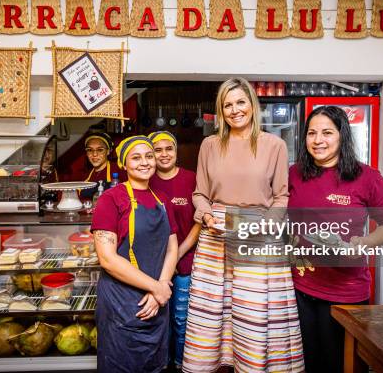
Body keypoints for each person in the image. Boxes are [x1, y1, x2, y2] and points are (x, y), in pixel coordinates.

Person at [182, 77, 304, 372]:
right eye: (228, 105)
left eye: (241, 102)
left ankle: (255, 365)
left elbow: (281, 197)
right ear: (221, 110)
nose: (235, 110)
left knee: (254, 311)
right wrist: (207, 215)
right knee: (214, 313)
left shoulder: (274, 145)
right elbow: (200, 193)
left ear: (252, 104)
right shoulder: (209, 145)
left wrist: (264, 229)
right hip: (216, 237)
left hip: (259, 236)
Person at [288, 106, 383, 372]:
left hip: (344, 293)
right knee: (309, 364)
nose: (318, 140)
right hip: (300, 287)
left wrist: (363, 243)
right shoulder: (294, 173)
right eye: (312, 133)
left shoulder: (367, 177)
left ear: (342, 136)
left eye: (327, 132)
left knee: (343, 364)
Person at [91, 135, 179, 373]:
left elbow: (172, 247)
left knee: (155, 365)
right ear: (123, 163)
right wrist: (157, 288)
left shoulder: (162, 200)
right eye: (136, 157)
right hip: (122, 301)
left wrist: (161, 286)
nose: (145, 162)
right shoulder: (110, 199)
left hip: (157, 302)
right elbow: (107, 259)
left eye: (149, 156)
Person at [147, 131, 201, 371]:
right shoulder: (145, 180)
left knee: (181, 319)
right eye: (158, 150)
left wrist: (178, 253)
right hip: (152, 267)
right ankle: (161, 364)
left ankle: (179, 364)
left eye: (169, 149)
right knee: (158, 320)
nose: (164, 154)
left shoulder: (192, 179)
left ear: (176, 151)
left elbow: (199, 221)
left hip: (185, 262)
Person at [81, 132, 126, 200]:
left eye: (100, 150)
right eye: (90, 150)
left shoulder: (119, 170)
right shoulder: (86, 176)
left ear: (108, 151)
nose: (95, 154)